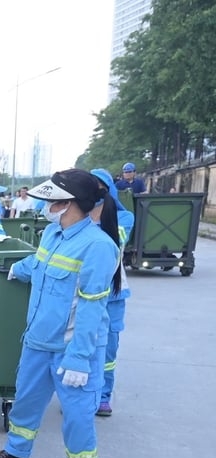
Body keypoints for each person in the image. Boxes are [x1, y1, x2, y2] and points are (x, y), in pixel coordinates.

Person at [0, 169, 120, 458]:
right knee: (27, 402)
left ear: (70, 204)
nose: (48, 205)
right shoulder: (51, 234)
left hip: (73, 349)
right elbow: (42, 263)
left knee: (77, 416)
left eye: (54, 200)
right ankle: (17, 449)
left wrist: (79, 358)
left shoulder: (98, 246)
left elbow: (92, 306)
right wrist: (21, 268)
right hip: (38, 341)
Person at [90, 168, 134, 418]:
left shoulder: (124, 218)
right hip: (84, 292)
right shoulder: (79, 217)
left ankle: (103, 396)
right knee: (82, 345)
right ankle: (85, 395)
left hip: (113, 295)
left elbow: (108, 243)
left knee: (107, 350)